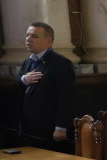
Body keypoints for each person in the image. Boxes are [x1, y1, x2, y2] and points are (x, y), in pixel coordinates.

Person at [15, 22, 75, 152]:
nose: (28, 39)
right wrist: (24, 80)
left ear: (48, 41)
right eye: (27, 35)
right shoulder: (28, 62)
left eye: (34, 36)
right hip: (29, 127)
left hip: (50, 129)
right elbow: (15, 86)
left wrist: (61, 126)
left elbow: (65, 97)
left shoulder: (60, 63)